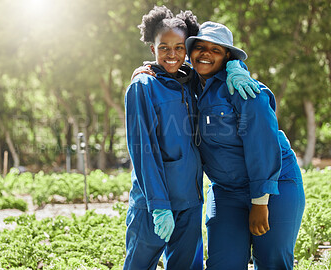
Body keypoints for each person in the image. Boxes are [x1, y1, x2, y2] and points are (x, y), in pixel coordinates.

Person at [124, 6, 258, 270]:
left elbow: (218, 61)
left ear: (186, 49)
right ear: (153, 49)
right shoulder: (143, 86)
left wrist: (236, 67)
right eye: (164, 47)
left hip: (191, 202)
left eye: (178, 48)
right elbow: (143, 152)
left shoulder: (191, 80)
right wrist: (159, 206)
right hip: (153, 205)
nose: (171, 55)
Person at [185, 21, 305, 269]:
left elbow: (262, 144)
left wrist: (260, 202)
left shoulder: (242, 88)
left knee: (273, 262)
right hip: (226, 190)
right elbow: (166, 64)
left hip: (274, 186)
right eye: (200, 47)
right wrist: (146, 69)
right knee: (223, 263)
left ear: (227, 56)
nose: (206, 53)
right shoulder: (188, 85)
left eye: (215, 50)